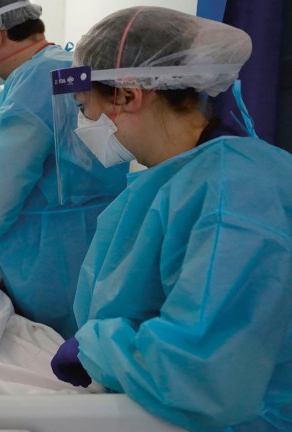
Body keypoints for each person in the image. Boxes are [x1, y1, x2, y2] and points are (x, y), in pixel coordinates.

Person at [49, 7, 292, 432]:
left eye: (85, 107)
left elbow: (203, 374)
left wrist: (98, 349)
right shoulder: (183, 179)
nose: (85, 124)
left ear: (128, 95)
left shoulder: (232, 195)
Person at [0, 0, 127, 337]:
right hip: (97, 240)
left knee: (52, 360)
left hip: (51, 259)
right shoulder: (68, 66)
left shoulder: (32, 83)